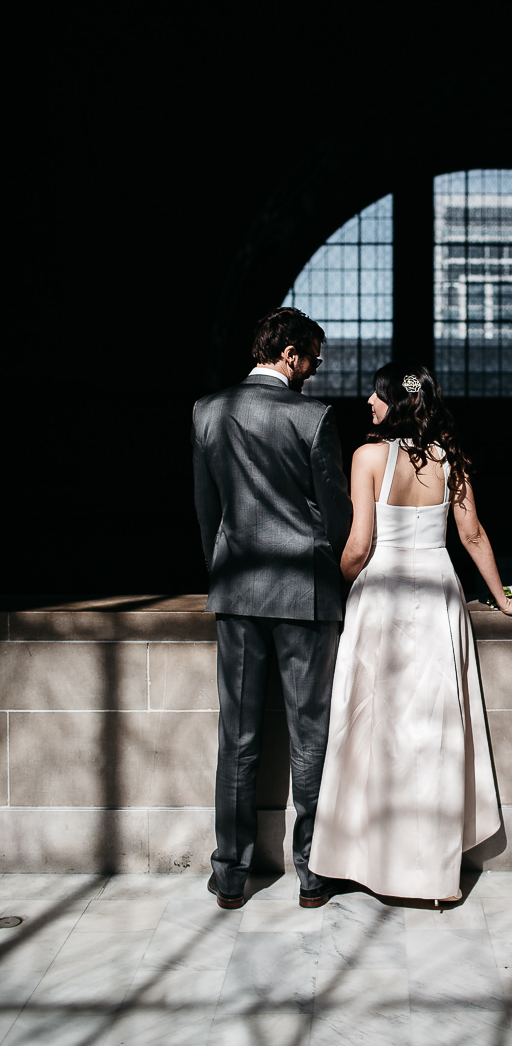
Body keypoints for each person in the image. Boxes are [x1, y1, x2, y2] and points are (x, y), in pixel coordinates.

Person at [309, 363, 512, 903]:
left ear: (393, 401)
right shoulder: (450, 459)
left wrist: (347, 582)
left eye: (375, 393)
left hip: (383, 596)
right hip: (439, 592)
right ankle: (433, 875)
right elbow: (473, 534)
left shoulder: (367, 457)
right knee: (435, 730)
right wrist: (505, 599)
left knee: (369, 730)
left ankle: (363, 861)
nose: (367, 400)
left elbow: (358, 546)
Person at [192, 307, 351, 910]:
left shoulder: (208, 411)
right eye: (312, 356)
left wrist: (223, 572)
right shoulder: (314, 418)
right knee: (312, 735)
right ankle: (311, 873)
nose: (316, 367)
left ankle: (230, 872)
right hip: (305, 592)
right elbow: (337, 516)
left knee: (237, 735)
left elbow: (208, 510)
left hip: (236, 590)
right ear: (288, 354)